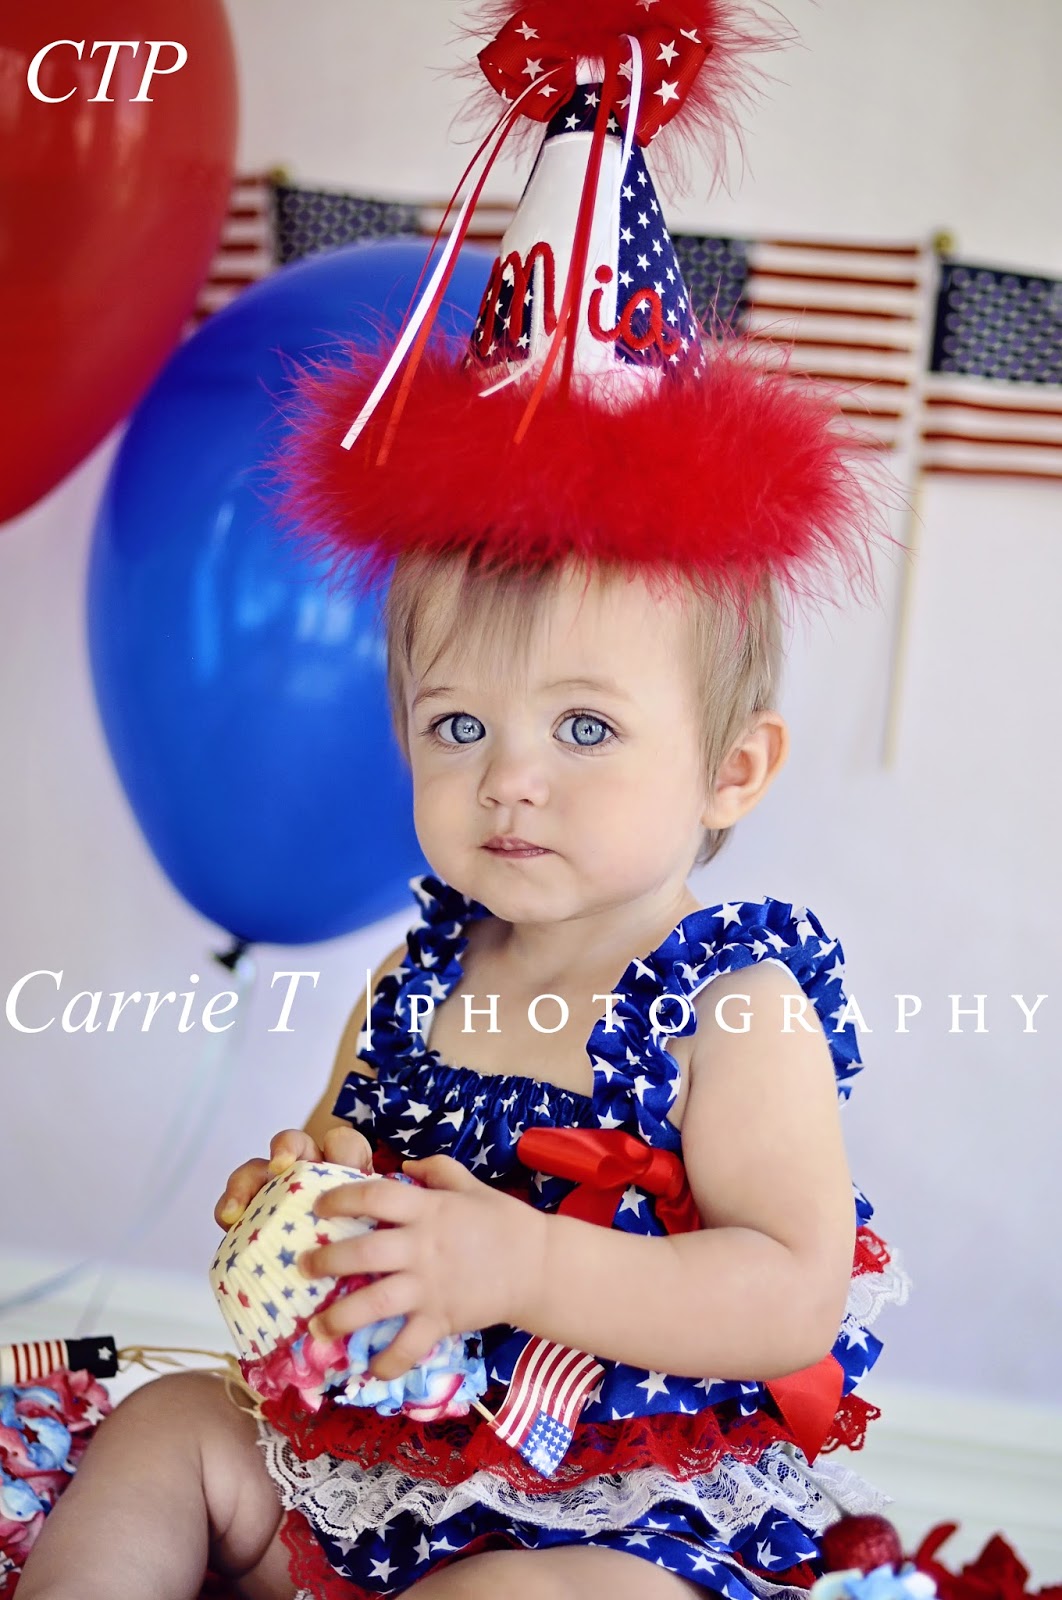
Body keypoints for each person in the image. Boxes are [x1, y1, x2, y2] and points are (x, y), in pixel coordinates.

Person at [17, 2, 912, 1596]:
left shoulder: (733, 1005)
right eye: (455, 725)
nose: (509, 775)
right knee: (164, 1430)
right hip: (374, 1454)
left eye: (585, 727)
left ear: (731, 770)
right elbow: (349, 1154)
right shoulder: (420, 972)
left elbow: (786, 1291)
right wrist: (303, 1199)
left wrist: (528, 1261)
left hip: (615, 1508)